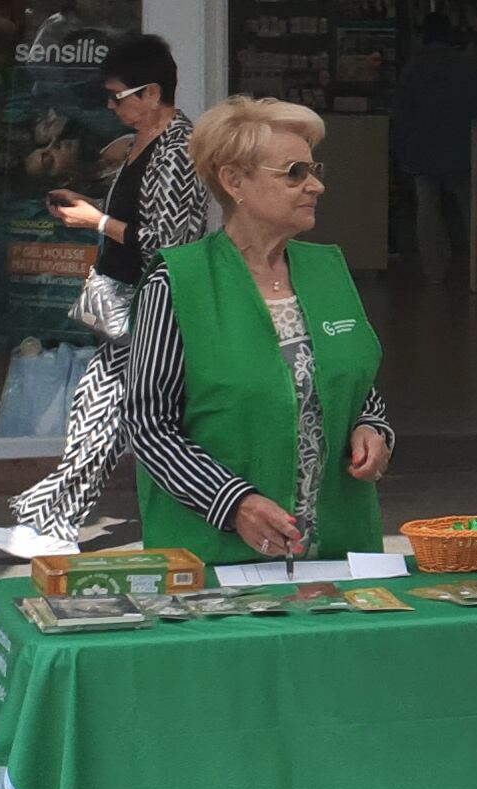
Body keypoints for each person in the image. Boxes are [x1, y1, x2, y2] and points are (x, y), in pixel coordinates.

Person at [127, 99, 393, 565]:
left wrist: (373, 428)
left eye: (313, 169)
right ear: (234, 181)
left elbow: (354, 387)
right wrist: (233, 504)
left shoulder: (328, 269)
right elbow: (149, 424)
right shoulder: (178, 281)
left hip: (338, 554)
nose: (316, 185)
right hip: (216, 558)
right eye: (294, 172)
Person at [0, 34, 204, 561]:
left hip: (152, 305)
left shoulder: (175, 149)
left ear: (151, 92)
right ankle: (52, 523)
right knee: (98, 413)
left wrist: (96, 220)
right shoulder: (146, 143)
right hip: (135, 304)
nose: (111, 106)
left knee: (101, 416)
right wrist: (94, 209)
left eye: (118, 96)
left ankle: (53, 525)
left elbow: (168, 242)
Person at [390, 14, 477, 286]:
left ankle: (434, 270)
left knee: (428, 209)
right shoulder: (466, 65)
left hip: (422, 148)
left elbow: (401, 109)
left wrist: (401, 147)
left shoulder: (415, 67)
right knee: (470, 207)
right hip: (463, 147)